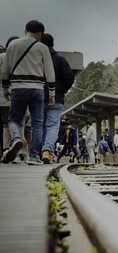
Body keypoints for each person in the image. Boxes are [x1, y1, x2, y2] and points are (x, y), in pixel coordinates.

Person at [1, 20, 55, 164]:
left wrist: (6, 88)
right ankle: (33, 156)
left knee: (14, 119)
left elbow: (5, 70)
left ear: (26, 30)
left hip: (18, 88)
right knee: (37, 123)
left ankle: (16, 139)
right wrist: (52, 93)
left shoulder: (12, 45)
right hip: (37, 89)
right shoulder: (42, 47)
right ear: (39, 33)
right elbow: (49, 72)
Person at [40, 33, 74, 164]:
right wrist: (61, 90)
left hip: (38, 96)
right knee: (53, 125)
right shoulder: (60, 60)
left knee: (40, 126)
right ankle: (47, 151)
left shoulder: (37, 59)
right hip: (57, 98)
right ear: (53, 44)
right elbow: (70, 77)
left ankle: (45, 151)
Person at [0, 36, 19, 156]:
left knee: (6, 124)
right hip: (17, 95)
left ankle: (6, 149)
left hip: (2, 96)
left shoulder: (1, 57)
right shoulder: (19, 59)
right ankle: (18, 152)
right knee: (18, 123)